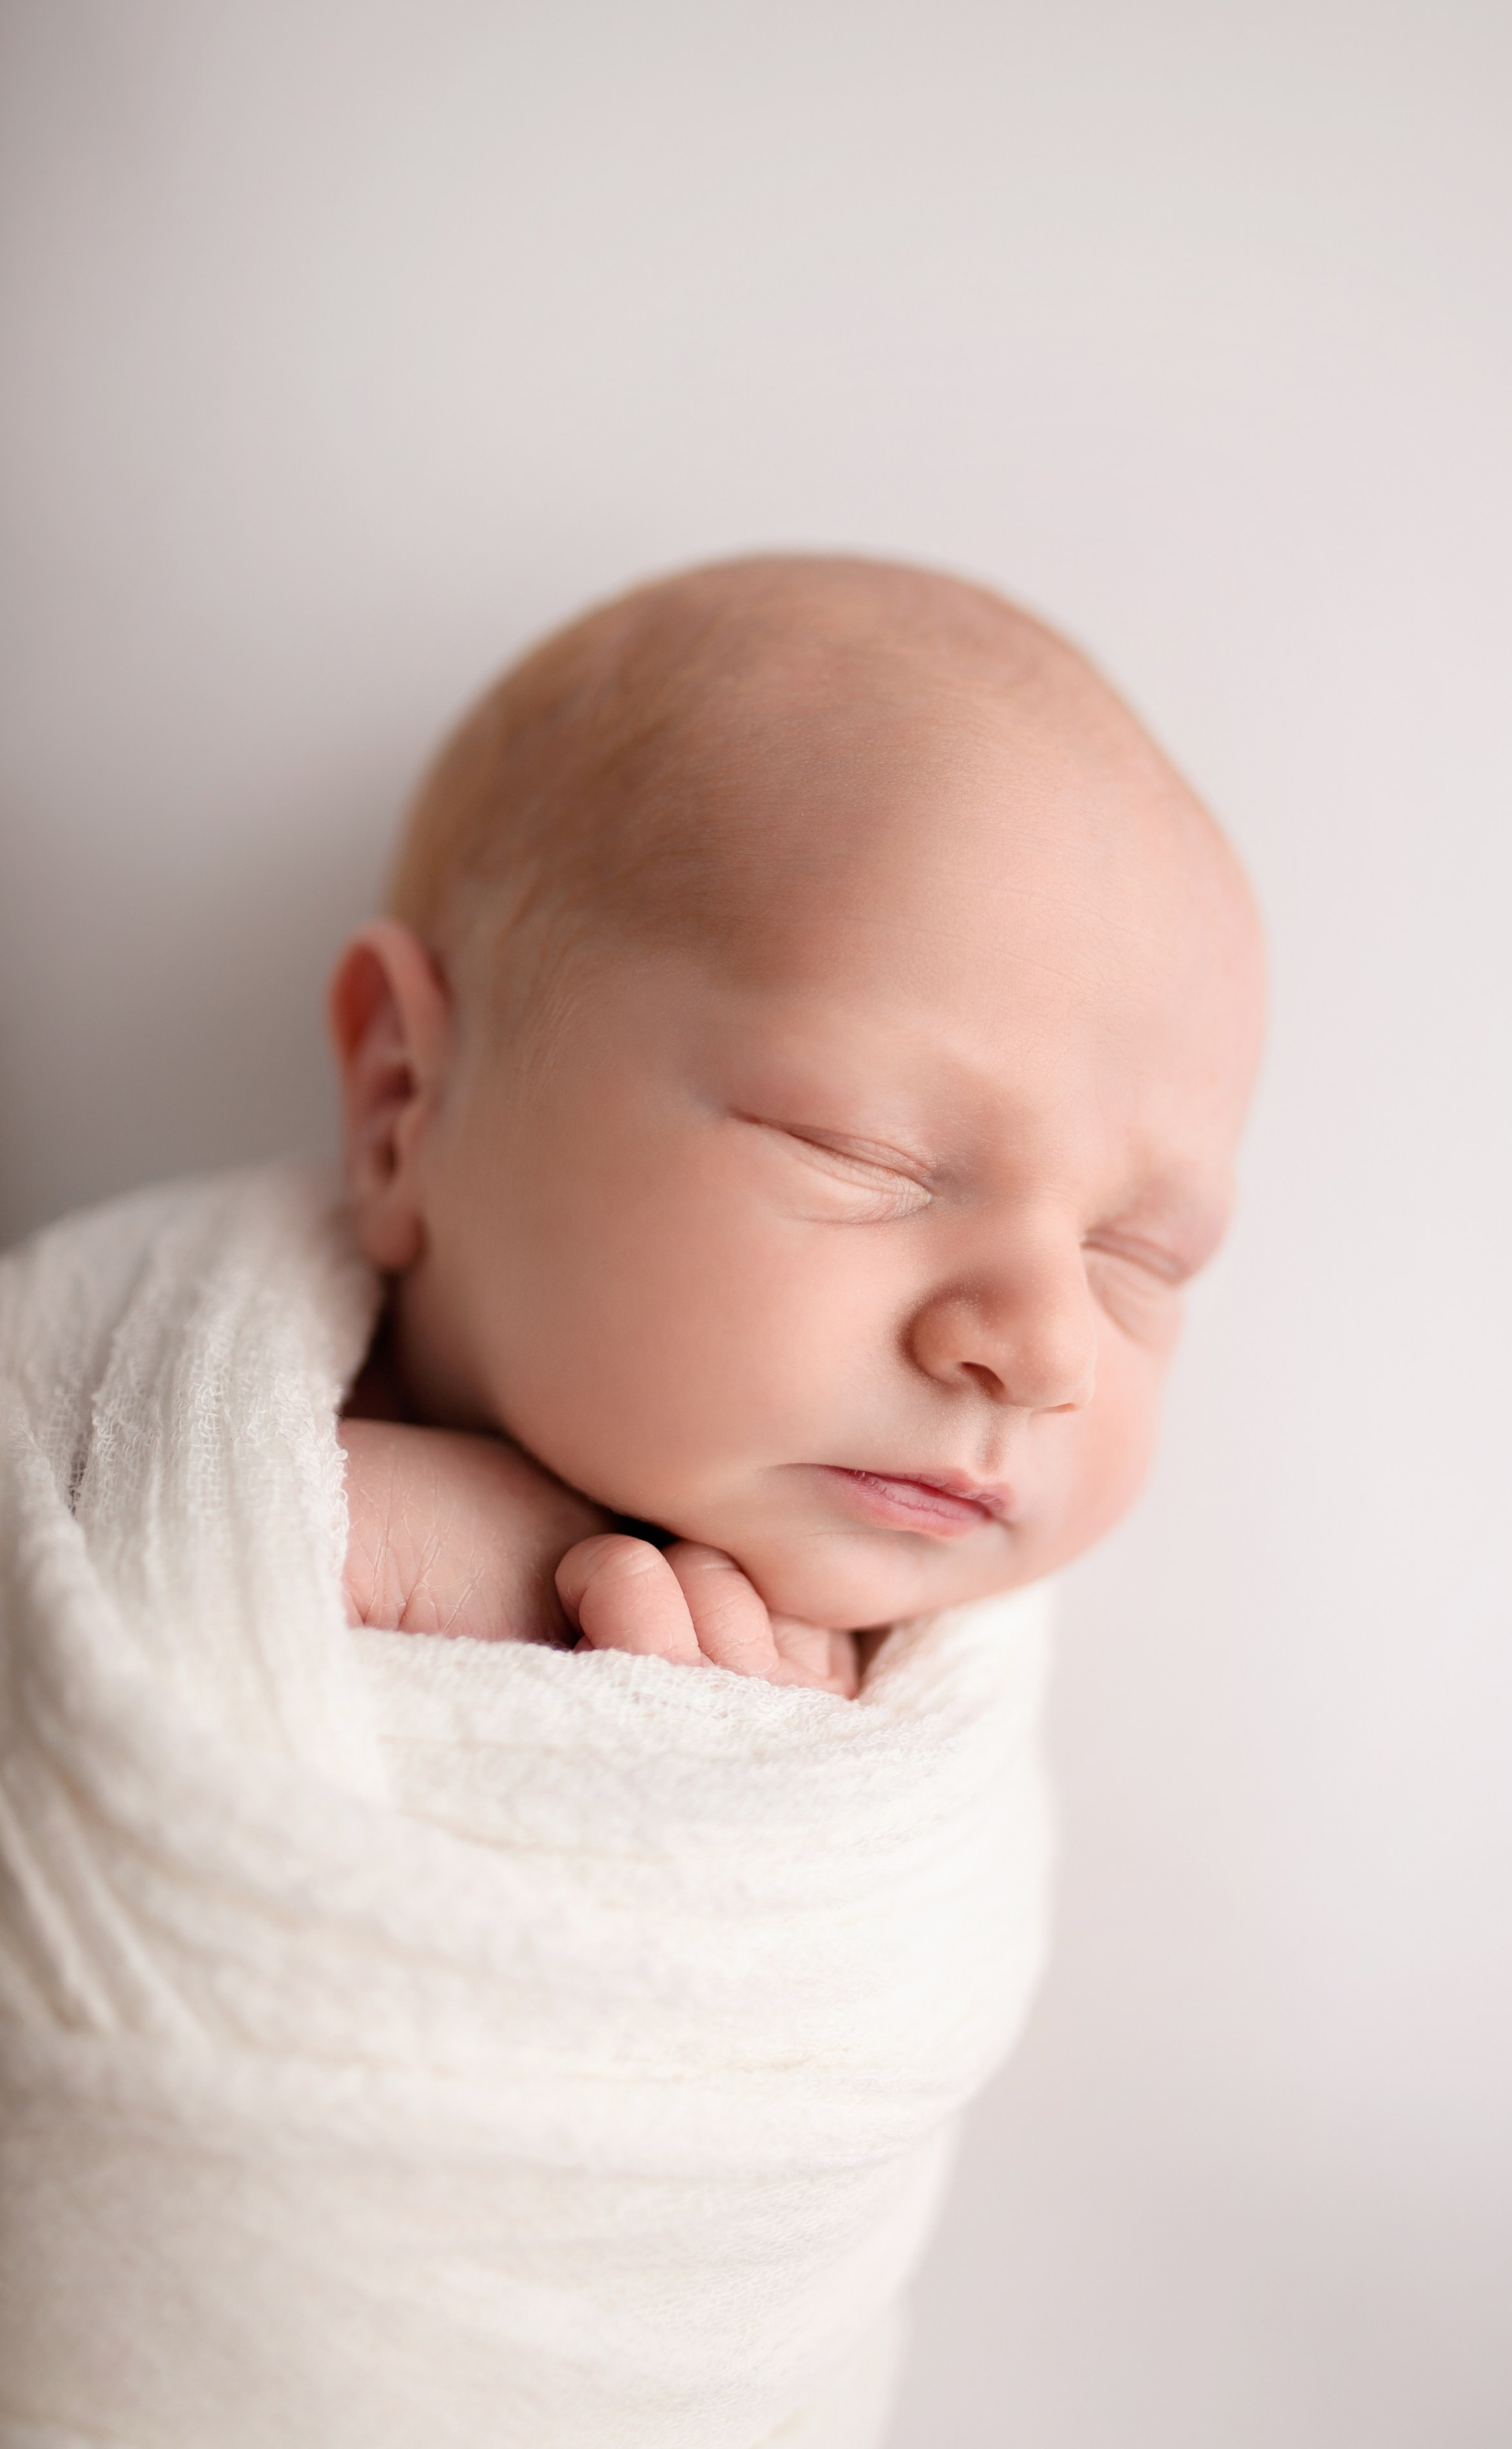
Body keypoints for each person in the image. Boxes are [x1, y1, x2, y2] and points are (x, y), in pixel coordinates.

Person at [331, 551, 1265, 1693]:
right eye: (865, 1152)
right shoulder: (136, 1470)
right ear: (403, 1101)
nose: (1046, 1349)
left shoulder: (916, 1756)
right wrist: (312, 1537)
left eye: (1142, 1260)